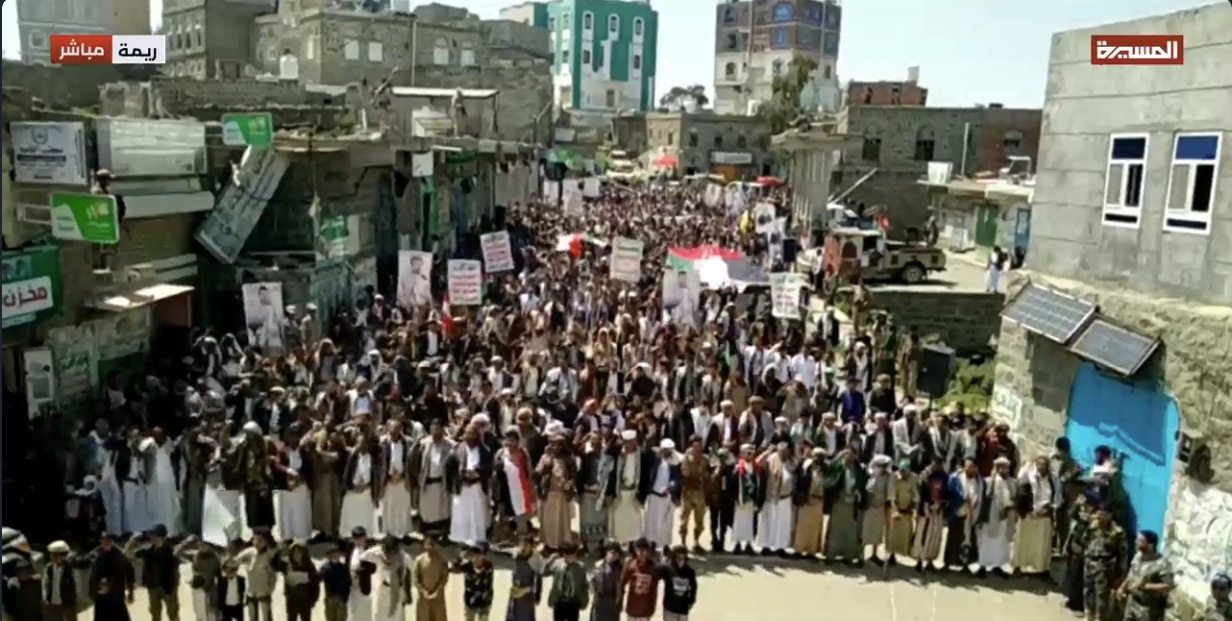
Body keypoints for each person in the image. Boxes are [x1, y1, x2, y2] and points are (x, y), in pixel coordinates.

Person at [1117, 529, 1174, 621]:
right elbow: (1131, 574)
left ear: (1150, 545)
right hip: (1132, 603)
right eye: (1136, 539)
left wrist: (1146, 586)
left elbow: (1168, 585)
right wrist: (1122, 588)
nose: (1135, 542)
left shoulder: (1162, 563)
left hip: (1148, 608)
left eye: (1140, 541)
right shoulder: (1137, 556)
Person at [546, 544, 590, 621]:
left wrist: (584, 601)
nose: (570, 558)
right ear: (564, 555)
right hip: (559, 601)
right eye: (567, 555)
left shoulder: (580, 568)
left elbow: (584, 586)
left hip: (573, 602)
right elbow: (544, 571)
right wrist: (551, 559)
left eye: (572, 556)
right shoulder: (557, 565)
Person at [620, 539, 660, 621]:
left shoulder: (653, 568)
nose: (641, 553)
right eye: (638, 550)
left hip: (645, 611)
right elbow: (622, 584)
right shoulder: (631, 565)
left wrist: (653, 607)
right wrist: (620, 602)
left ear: (648, 552)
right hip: (632, 609)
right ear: (635, 551)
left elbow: (654, 590)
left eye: (644, 550)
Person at [413, 536, 449, 621]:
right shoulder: (419, 560)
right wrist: (423, 591)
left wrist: (437, 591)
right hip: (424, 599)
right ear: (424, 545)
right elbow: (416, 579)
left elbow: (444, 578)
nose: (430, 547)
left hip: (438, 598)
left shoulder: (441, 560)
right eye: (427, 544)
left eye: (432, 545)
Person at [456, 542, 495, 621]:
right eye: (475, 554)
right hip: (470, 602)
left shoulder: (488, 567)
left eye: (479, 554)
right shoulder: (468, 566)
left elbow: (485, 586)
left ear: (483, 556)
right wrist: (460, 557)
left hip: (484, 602)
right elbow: (455, 569)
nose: (477, 557)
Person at [40, 540, 78, 621]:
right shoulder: (49, 567)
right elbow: (45, 583)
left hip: (67, 602)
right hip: (54, 602)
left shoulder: (69, 567)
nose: (51, 557)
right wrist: (44, 597)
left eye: (54, 555)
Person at [660, 545, 697, 621]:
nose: (681, 561)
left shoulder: (689, 572)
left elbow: (693, 587)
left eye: (683, 558)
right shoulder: (668, 570)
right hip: (670, 608)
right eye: (678, 558)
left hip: (683, 608)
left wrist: (692, 600)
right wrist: (664, 559)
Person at [588, 543, 624, 621]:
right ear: (606, 553)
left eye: (617, 554)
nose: (614, 556)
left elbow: (620, 588)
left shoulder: (618, 568)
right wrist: (594, 594)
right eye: (612, 553)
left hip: (612, 601)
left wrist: (619, 601)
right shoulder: (598, 566)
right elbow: (591, 581)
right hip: (600, 600)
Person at [320, 544, 353, 621]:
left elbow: (348, 582)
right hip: (330, 597)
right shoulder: (325, 567)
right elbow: (318, 578)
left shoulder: (343, 567)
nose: (334, 555)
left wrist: (345, 598)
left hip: (340, 597)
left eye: (336, 553)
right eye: (331, 554)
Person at [248, 285, 284, 350]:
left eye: (266, 294)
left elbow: (271, 326)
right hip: (259, 340)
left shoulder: (269, 308)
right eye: (262, 294)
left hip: (266, 341)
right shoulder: (254, 308)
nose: (264, 296)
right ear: (259, 295)